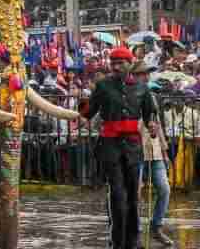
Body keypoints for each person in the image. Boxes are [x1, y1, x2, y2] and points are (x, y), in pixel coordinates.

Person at [78, 46, 157, 249]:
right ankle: (117, 242)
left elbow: (150, 113)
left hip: (132, 147)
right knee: (118, 194)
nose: (116, 66)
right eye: (113, 63)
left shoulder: (142, 88)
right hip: (110, 146)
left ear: (130, 64)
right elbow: (89, 112)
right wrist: (82, 106)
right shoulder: (103, 86)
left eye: (120, 63)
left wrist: (152, 124)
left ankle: (133, 241)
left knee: (132, 195)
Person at [134, 63, 173, 246]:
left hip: (155, 150)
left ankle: (156, 226)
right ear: (133, 76)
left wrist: (165, 152)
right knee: (135, 191)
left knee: (164, 189)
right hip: (135, 150)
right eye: (142, 74)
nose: (146, 77)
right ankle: (133, 230)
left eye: (147, 74)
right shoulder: (128, 97)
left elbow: (158, 126)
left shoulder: (152, 98)